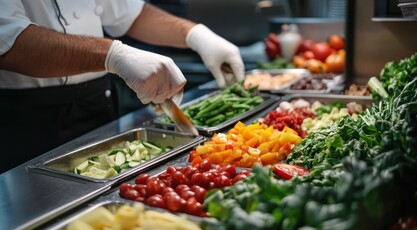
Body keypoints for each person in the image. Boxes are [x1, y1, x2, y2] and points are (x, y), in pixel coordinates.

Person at [0, 0, 245, 173]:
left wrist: (195, 34)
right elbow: (9, 42)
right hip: (27, 123)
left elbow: (129, 13)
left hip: (98, 103)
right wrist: (112, 55)